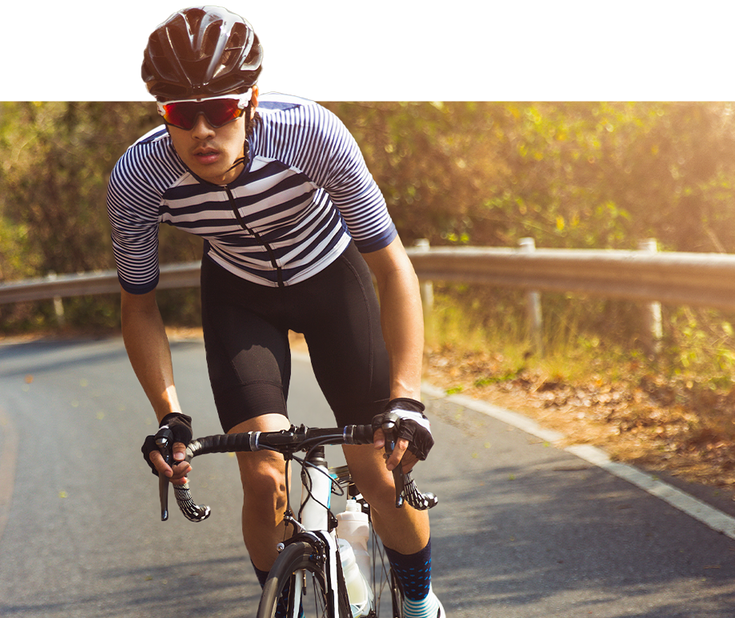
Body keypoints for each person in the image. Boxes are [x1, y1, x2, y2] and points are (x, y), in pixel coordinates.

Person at [110, 4, 444, 617]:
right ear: (164, 114)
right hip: (240, 293)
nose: (203, 131)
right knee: (262, 478)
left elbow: (394, 266)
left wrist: (406, 397)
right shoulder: (140, 176)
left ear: (252, 100)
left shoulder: (310, 132)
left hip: (330, 274)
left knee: (377, 468)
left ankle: (422, 606)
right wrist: (171, 415)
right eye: (183, 113)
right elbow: (139, 306)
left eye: (222, 108)